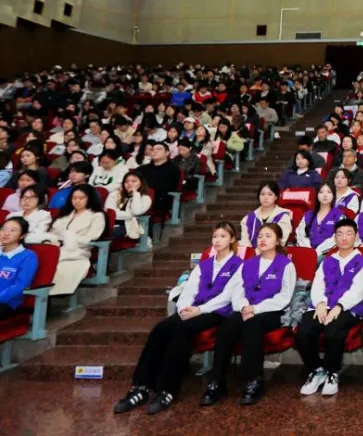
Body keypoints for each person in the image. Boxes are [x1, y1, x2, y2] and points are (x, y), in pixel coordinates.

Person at [115, 222, 242, 415]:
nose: (217, 240)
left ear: (232, 239)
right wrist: (183, 309)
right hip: (193, 309)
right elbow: (189, 289)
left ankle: (167, 389)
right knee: (161, 328)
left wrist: (199, 310)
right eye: (215, 236)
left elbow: (227, 296)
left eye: (223, 236)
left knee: (183, 330)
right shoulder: (204, 264)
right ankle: (140, 386)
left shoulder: (239, 265)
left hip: (217, 312)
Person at [200, 222, 296, 407]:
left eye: (268, 236)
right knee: (226, 328)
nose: (263, 239)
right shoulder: (248, 264)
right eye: (260, 236)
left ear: (278, 240)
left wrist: (256, 309)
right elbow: (237, 290)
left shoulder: (286, 265)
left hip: (271, 312)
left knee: (252, 325)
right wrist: (244, 306)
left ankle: (254, 379)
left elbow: (284, 297)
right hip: (245, 309)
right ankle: (217, 381)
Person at [296, 218, 363, 398]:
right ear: (335, 237)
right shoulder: (327, 261)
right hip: (322, 305)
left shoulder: (362, 262)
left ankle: (332, 372)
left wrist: (339, 306)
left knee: (333, 330)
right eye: (340, 234)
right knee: (304, 332)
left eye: (348, 234)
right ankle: (316, 370)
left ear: (356, 236)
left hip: (348, 308)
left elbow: (358, 291)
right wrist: (320, 303)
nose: (344, 238)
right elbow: (318, 284)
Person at [45, 184, 106, 295]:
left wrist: (69, 237)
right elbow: (52, 232)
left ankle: (46, 293)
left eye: (81, 198)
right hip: (56, 246)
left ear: (90, 198)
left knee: (52, 259)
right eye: (74, 198)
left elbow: (91, 238)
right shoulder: (66, 213)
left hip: (78, 250)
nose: (77, 201)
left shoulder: (97, 215)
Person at [0, 217, 38, 320]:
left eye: (12, 230)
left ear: (22, 235)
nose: (6, 233)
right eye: (3, 229)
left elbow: (20, 285)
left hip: (7, 302)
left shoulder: (28, 256)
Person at [295, 183, 348, 255]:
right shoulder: (308, 215)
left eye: (329, 192)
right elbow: (300, 234)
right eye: (321, 192)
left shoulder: (339, 215)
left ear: (333, 196)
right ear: (317, 195)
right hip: (307, 253)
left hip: (329, 254)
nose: (325, 195)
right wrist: (309, 251)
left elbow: (338, 237)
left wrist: (318, 252)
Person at [240, 182, 293, 247]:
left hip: (275, 252)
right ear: (258, 196)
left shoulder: (283, 216)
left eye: (270, 194)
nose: (265, 197)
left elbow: (281, 242)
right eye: (262, 194)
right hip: (252, 253)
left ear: (276, 197)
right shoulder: (248, 219)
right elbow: (244, 244)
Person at [106, 172, 152, 241]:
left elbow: (136, 212)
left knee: (102, 234)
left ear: (141, 183)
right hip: (110, 223)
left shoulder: (145, 198)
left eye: (134, 181)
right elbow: (110, 212)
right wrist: (129, 215)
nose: (130, 183)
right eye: (126, 181)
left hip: (128, 226)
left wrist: (135, 194)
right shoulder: (115, 194)